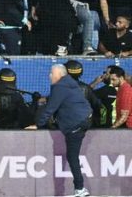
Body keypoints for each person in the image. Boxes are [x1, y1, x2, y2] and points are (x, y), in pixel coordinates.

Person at [35, 65, 93, 197]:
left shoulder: (59, 86)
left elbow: (50, 109)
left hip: (76, 123)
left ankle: (80, 189)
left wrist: (38, 125)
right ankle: (80, 188)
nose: (50, 75)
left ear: (59, 75)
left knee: (72, 157)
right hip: (86, 118)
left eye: (52, 73)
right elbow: (63, 99)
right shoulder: (69, 83)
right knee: (73, 156)